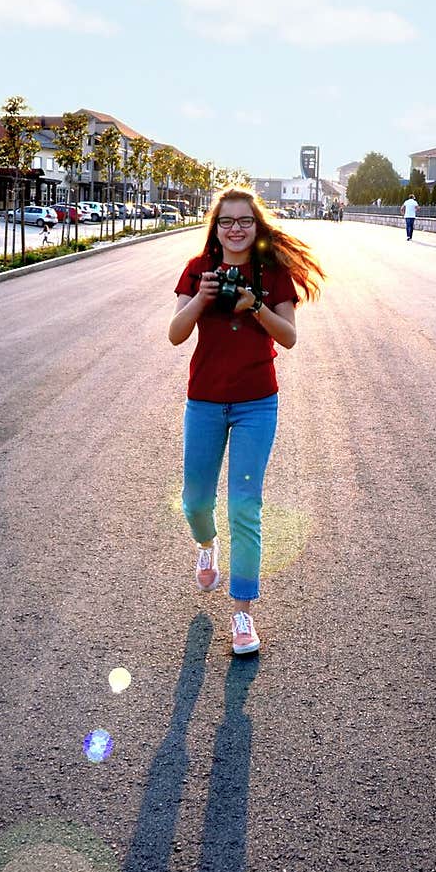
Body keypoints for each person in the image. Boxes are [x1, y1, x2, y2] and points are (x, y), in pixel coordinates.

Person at [169, 187, 325, 655]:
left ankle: (243, 614)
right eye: (226, 221)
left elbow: (290, 338)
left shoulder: (273, 274)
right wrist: (201, 299)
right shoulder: (197, 270)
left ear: (256, 227)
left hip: (257, 402)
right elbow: (175, 335)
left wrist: (254, 306)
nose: (235, 228)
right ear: (214, 227)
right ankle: (206, 544)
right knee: (195, 501)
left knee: (244, 505)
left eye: (244, 221)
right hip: (205, 401)